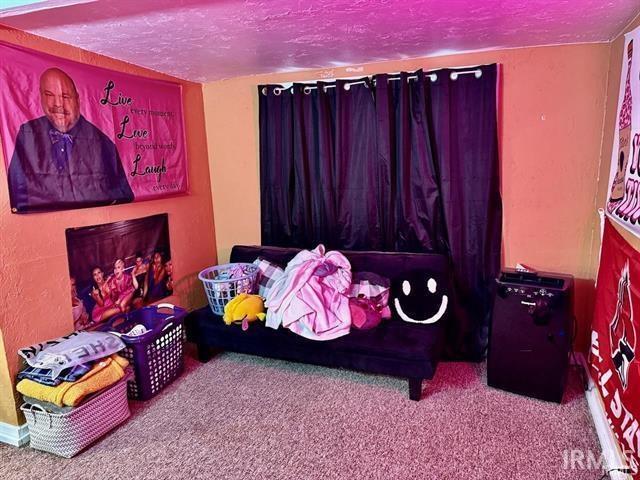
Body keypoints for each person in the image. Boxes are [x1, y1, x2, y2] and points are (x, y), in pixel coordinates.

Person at [7, 67, 134, 213]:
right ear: (40, 97)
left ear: (77, 100)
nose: (58, 104)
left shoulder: (103, 143)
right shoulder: (27, 133)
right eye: (49, 95)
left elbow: (124, 199)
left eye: (66, 96)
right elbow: (15, 191)